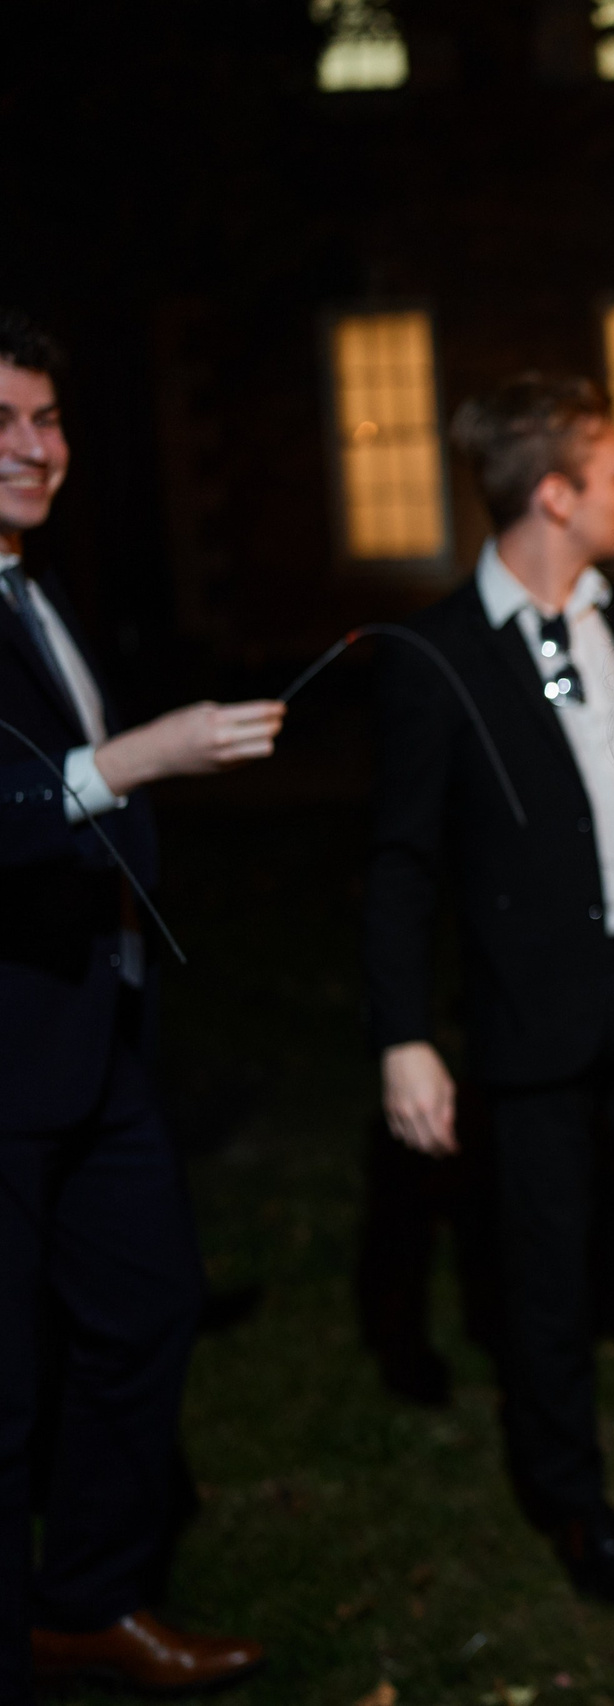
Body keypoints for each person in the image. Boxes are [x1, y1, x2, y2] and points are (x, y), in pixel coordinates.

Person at [363, 374, 614, 1607]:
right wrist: (401, 1037)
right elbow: (399, 860)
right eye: (604, 471)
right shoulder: (430, 656)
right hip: (527, 1004)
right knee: (545, 1266)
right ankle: (570, 1501)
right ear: (552, 492)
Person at [0, 310, 274, 1698]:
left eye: (47, 421)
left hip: (97, 1038)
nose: (36, 449)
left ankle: (87, 1595)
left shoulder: (31, 588)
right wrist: (130, 760)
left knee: (148, 1299)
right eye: (5, 425)